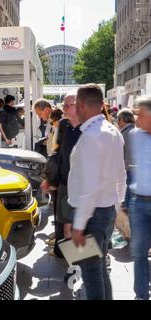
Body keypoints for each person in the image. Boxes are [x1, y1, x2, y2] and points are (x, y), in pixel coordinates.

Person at [68, 84, 127, 300]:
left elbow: (89, 187)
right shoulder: (113, 131)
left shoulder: (92, 136)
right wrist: (116, 204)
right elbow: (122, 175)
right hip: (105, 210)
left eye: (74, 105)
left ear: (81, 105)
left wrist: (79, 225)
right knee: (100, 271)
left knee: (92, 275)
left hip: (91, 215)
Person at [42, 93, 81, 258]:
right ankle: (71, 258)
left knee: (80, 226)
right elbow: (57, 151)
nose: (63, 108)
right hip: (65, 183)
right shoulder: (63, 124)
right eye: (64, 105)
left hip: (84, 186)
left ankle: (85, 261)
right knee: (65, 223)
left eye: (67, 105)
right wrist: (49, 178)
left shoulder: (90, 127)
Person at [128, 96, 151, 300]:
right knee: (139, 252)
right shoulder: (135, 136)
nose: (137, 118)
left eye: (141, 114)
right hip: (139, 202)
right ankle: (141, 295)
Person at [117, 108, 136, 209]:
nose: (117, 122)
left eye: (118, 120)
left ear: (122, 120)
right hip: (137, 170)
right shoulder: (137, 131)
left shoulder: (123, 134)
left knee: (127, 201)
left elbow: (119, 155)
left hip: (127, 170)